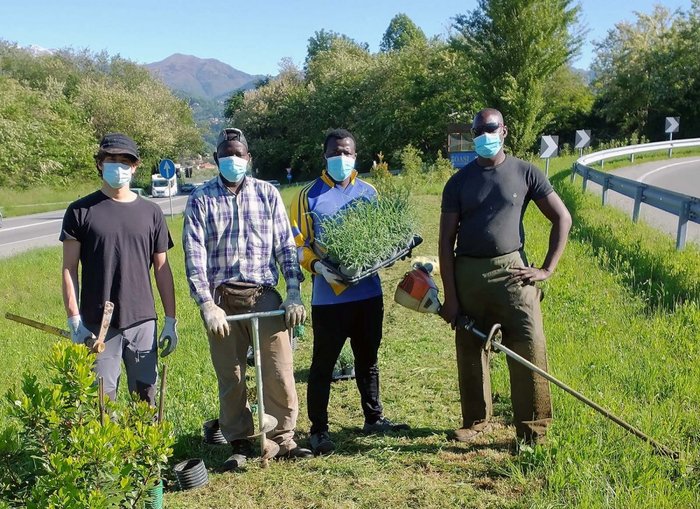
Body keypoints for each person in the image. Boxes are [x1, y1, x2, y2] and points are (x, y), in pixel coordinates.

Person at [438, 108, 572, 445]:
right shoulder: (458, 182)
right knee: (470, 347)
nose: (484, 135)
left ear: (504, 132)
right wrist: (451, 298)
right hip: (468, 273)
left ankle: (533, 430)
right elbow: (444, 242)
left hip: (514, 274)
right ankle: (475, 421)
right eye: (477, 130)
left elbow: (562, 219)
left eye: (490, 128)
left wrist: (546, 269)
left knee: (529, 343)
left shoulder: (526, 172)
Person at [183, 127, 312, 469]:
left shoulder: (267, 194)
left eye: (239, 154)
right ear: (216, 160)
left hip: (263, 294)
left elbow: (286, 245)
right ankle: (239, 441)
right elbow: (194, 254)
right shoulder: (201, 199)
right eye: (226, 154)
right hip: (223, 299)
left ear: (248, 158)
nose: (233, 159)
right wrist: (206, 303)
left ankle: (283, 438)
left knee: (278, 369)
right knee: (232, 374)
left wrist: (294, 293)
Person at [290, 128, 409, 456]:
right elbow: (297, 245)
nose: (341, 158)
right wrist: (318, 267)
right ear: (324, 156)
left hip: (368, 294)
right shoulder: (307, 196)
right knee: (323, 365)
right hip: (329, 299)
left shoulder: (368, 192)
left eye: (347, 152)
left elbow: (383, 236)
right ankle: (318, 429)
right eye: (334, 152)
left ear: (355, 156)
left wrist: (395, 247)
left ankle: (373, 417)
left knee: (368, 359)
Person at [61, 132, 178, 406]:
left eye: (125, 160)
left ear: (135, 166)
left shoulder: (151, 213)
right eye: (111, 159)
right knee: (101, 403)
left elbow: (162, 268)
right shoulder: (80, 211)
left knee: (146, 399)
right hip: (97, 324)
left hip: (142, 321)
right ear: (100, 163)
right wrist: (74, 319)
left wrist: (171, 320)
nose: (118, 165)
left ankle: (147, 450)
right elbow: (69, 268)